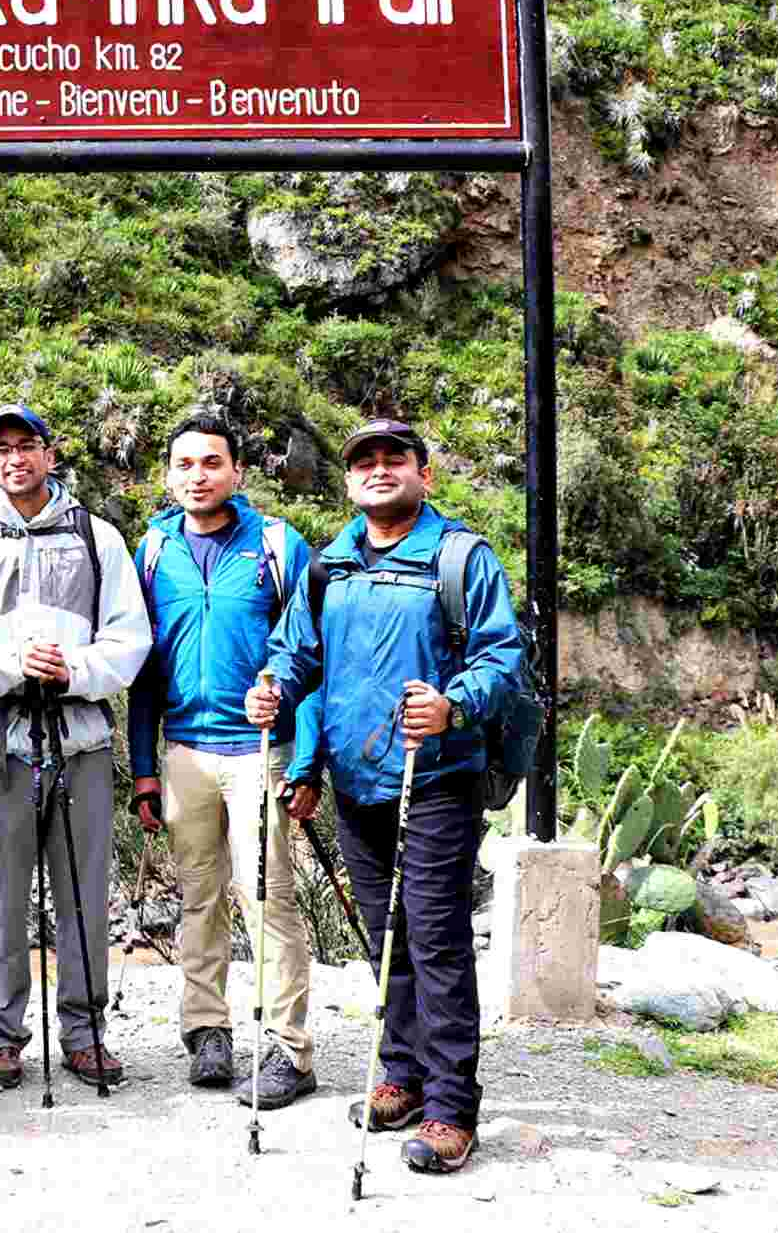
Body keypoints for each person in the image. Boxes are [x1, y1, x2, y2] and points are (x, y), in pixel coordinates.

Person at [248, 418, 525, 1175]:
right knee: (387, 936)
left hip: (434, 778)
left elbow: (504, 655)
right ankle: (399, 1073)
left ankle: (450, 1108)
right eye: (363, 461)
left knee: (435, 939)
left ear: (422, 475)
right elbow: (297, 653)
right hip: (358, 780)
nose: (377, 469)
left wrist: (453, 703)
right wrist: (273, 690)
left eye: (393, 458)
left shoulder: (460, 557)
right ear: (348, 481)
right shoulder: (329, 565)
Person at [0, 404, 151, 1090]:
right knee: (0, 891)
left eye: (27, 445)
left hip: (81, 736)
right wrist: (13, 666)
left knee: (84, 888)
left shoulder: (98, 537)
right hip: (1, 741)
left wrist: (75, 670)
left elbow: (130, 637)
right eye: (1, 448)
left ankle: (84, 1032)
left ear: (51, 455)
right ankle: (0, 1034)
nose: (15, 458)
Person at [125, 413, 326, 1109]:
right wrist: (143, 766)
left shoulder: (276, 545)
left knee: (266, 897)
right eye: (184, 464)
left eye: (212, 462)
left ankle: (288, 1049)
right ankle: (207, 1029)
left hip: (259, 752)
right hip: (184, 749)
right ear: (169, 473)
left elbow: (309, 649)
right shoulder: (152, 548)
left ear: (237, 471)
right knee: (199, 898)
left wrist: (307, 759)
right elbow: (144, 666)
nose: (197, 475)